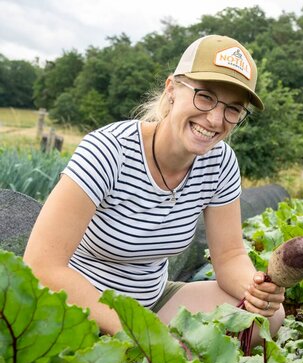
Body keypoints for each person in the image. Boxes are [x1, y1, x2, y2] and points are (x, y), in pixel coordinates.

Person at [24, 35, 285, 337]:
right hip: (81, 306)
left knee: (267, 317)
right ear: (172, 89)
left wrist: (256, 292)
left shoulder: (220, 163)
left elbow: (228, 256)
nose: (215, 119)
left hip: (152, 306)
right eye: (205, 96)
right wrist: (137, 332)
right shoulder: (109, 151)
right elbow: (43, 266)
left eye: (233, 109)